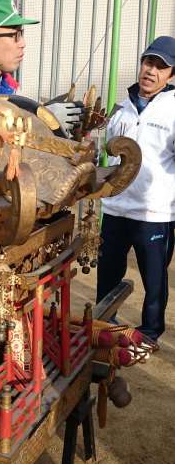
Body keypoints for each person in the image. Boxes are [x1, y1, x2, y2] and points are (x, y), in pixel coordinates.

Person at [97, 35, 175, 342]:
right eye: (148, 62)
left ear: (171, 75)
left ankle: (150, 333)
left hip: (154, 213)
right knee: (108, 273)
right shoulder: (122, 109)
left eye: (160, 67)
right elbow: (107, 152)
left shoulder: (172, 109)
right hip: (115, 208)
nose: (151, 71)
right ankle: (105, 326)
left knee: (154, 280)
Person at [0, 0, 84, 133]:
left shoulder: (3, 84)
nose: (23, 43)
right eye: (15, 35)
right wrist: (44, 119)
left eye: (21, 34)